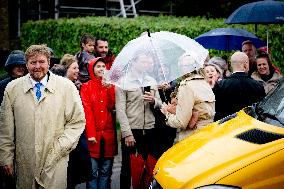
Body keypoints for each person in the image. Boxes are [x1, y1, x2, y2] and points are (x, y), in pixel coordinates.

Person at [0, 44, 86, 188]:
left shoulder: (66, 87)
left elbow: (76, 122)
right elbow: (5, 128)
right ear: (26, 64)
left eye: (42, 62)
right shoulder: (12, 89)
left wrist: (59, 148)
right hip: (24, 162)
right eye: (33, 62)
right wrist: (6, 157)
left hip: (56, 161)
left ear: (49, 63)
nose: (37, 66)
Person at [116, 52, 162, 188]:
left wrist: (153, 100)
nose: (146, 65)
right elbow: (120, 110)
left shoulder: (151, 80)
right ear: (134, 62)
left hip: (149, 129)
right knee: (127, 167)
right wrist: (127, 133)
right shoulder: (123, 82)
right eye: (143, 62)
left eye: (147, 62)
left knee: (149, 165)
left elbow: (160, 103)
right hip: (132, 129)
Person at [80, 57, 117, 189]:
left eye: (103, 66)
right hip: (93, 135)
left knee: (105, 171)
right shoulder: (86, 87)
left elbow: (112, 106)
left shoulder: (110, 85)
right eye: (98, 66)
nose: (101, 69)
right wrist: (90, 134)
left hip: (108, 134)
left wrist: (110, 88)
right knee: (92, 172)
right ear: (92, 69)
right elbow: (87, 111)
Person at [161, 54, 215, 142]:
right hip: (208, 134)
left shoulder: (186, 86)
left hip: (192, 137)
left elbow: (181, 122)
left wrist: (167, 114)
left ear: (184, 68)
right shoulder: (204, 82)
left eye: (181, 66)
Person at [213, 52, 266, 121]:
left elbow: (215, 110)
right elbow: (262, 111)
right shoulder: (258, 85)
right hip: (250, 127)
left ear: (231, 65)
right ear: (246, 64)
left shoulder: (220, 85)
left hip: (227, 127)